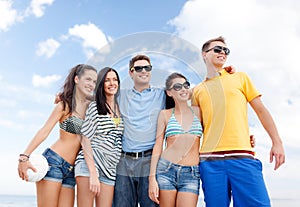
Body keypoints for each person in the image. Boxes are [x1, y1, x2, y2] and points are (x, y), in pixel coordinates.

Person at [192, 36, 285, 207]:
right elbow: (198, 129)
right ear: (204, 54)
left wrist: (276, 142)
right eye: (217, 49)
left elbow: (261, 110)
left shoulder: (240, 77)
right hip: (210, 162)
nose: (222, 53)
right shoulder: (197, 91)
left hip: (242, 157)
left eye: (225, 51)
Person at [17, 64, 97, 207]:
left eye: (94, 81)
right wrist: (24, 157)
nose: (91, 84)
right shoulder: (64, 106)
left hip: (72, 170)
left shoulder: (91, 107)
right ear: (77, 79)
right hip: (54, 163)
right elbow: (44, 130)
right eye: (88, 79)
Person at [113, 54, 164, 207]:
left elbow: (188, 92)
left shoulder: (162, 94)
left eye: (147, 68)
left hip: (149, 160)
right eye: (139, 68)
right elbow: (92, 97)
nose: (143, 71)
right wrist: (65, 96)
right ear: (131, 72)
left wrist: (219, 73)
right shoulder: (120, 95)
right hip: (123, 161)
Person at [148, 72, 202, 207]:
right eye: (177, 87)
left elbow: (215, 131)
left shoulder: (199, 112)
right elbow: (158, 146)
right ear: (169, 93)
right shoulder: (165, 114)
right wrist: (152, 179)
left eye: (186, 85)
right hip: (166, 170)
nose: (183, 89)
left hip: (191, 173)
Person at [75, 67, 124, 207]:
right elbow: (85, 139)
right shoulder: (95, 107)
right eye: (107, 80)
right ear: (101, 84)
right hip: (90, 166)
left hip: (110, 169)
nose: (111, 83)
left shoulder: (120, 108)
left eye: (114, 79)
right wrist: (93, 173)